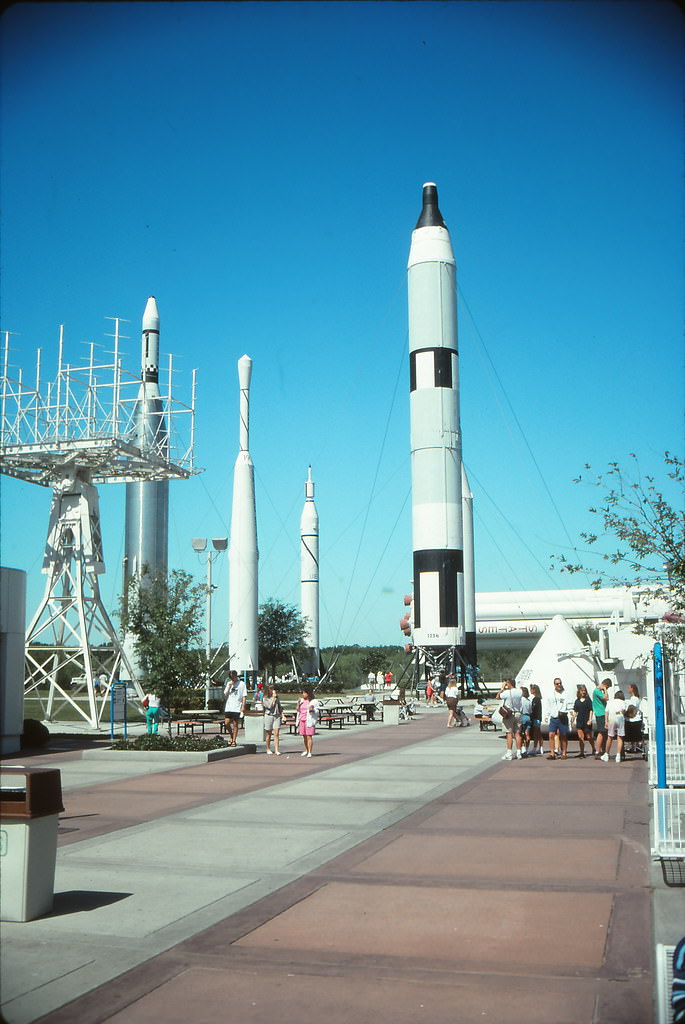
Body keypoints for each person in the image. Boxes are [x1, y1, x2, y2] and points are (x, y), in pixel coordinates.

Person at [498, 678, 524, 760]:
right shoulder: (520, 692)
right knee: (517, 733)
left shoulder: (506, 692)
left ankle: (509, 753)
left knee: (509, 733)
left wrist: (502, 688)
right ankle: (519, 752)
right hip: (518, 713)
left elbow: (498, 697)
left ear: (509, 684)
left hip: (509, 715)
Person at [546, 677, 570, 759]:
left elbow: (569, 705)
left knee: (563, 735)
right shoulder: (550, 694)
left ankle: (564, 753)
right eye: (557, 684)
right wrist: (547, 715)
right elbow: (548, 706)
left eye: (560, 683)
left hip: (562, 717)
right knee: (551, 734)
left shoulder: (565, 694)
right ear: (554, 685)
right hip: (554, 717)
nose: (559, 685)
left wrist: (571, 713)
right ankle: (552, 753)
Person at [223, 670, 247, 747]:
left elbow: (244, 696)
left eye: (233, 677)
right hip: (229, 706)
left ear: (236, 676)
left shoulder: (242, 684)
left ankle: (234, 740)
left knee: (235, 724)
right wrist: (229, 686)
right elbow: (225, 694)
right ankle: (231, 735)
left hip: (237, 706)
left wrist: (243, 706)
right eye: (231, 677)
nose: (232, 679)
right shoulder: (229, 683)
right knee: (226, 723)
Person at [604, 688, 627, 763]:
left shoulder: (610, 702)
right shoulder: (623, 702)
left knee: (610, 736)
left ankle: (606, 754)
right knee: (620, 736)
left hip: (612, 717)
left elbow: (606, 712)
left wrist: (606, 721)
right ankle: (618, 755)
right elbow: (624, 710)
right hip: (619, 715)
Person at [572, 684, 595, 758]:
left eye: (584, 691)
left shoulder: (588, 700)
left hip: (586, 720)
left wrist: (590, 719)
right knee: (580, 737)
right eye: (582, 691)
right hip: (579, 720)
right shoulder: (577, 701)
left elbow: (591, 710)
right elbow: (575, 711)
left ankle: (594, 748)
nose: (583, 692)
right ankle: (582, 752)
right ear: (579, 692)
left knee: (588, 736)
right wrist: (573, 719)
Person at [297, 685, 318, 757]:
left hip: (309, 720)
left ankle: (310, 752)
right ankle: (306, 749)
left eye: (304, 693)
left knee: (309, 736)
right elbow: (297, 709)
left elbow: (316, 710)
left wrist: (313, 710)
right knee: (304, 736)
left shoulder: (313, 701)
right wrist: (298, 702)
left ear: (308, 693)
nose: (303, 694)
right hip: (302, 719)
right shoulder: (302, 701)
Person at [592, 678, 610, 760]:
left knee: (604, 733)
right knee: (601, 732)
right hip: (600, 713)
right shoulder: (597, 691)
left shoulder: (599, 691)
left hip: (603, 713)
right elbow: (606, 698)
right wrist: (605, 689)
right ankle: (597, 751)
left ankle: (603, 750)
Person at [263, 683, 282, 755]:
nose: (273, 690)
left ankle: (277, 749)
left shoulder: (277, 697)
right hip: (269, 715)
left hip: (276, 715)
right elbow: (269, 706)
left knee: (276, 733)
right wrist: (273, 698)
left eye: (273, 688)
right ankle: (268, 748)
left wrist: (282, 714)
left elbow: (279, 706)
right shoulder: (265, 698)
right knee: (269, 733)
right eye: (271, 689)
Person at [624, 682, 644, 753]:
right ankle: (633, 747)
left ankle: (636, 745)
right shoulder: (637, 698)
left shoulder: (634, 699)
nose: (628, 689)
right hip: (637, 719)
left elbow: (632, 709)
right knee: (635, 734)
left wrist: (626, 714)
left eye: (629, 688)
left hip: (633, 719)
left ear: (632, 689)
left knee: (632, 734)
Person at [529, 684, 543, 756]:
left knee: (536, 734)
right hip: (538, 718)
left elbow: (533, 709)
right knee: (539, 733)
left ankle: (535, 747)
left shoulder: (535, 699)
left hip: (536, 718)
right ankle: (540, 747)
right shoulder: (538, 699)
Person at [519, 686, 532, 752]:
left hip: (522, 716)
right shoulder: (529, 701)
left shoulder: (521, 700)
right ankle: (527, 748)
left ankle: (523, 747)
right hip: (528, 717)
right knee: (527, 734)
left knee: (521, 734)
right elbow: (530, 711)